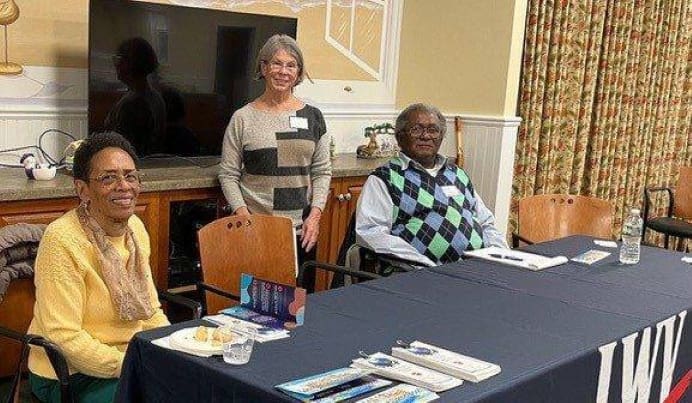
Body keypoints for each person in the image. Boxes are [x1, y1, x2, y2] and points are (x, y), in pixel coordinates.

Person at [27, 132, 170, 403]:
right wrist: (131, 366)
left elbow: (150, 310)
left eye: (130, 176)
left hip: (129, 358)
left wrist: (168, 350)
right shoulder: (62, 240)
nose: (124, 186)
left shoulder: (136, 229)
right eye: (108, 177)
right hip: (67, 373)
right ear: (82, 190)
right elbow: (63, 336)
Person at [218, 34, 331, 292]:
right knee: (256, 309)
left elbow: (322, 171)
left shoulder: (312, 116)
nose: (283, 71)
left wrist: (316, 215)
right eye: (276, 63)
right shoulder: (243, 118)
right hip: (256, 228)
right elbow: (228, 174)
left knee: (295, 311)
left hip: (302, 230)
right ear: (263, 67)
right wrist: (244, 217)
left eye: (291, 65)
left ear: (299, 72)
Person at [356, 103, 509, 268]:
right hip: (416, 274)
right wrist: (421, 264)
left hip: (475, 268)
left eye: (433, 130)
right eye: (416, 129)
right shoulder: (385, 178)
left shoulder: (457, 174)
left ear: (441, 137)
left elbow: (486, 222)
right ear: (399, 137)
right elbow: (371, 232)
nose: (425, 136)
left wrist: (502, 257)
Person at [104, 37, 167, 156]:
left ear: (131, 63)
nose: (116, 65)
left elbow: (126, 148)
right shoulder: (155, 96)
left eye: (119, 60)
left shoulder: (133, 104)